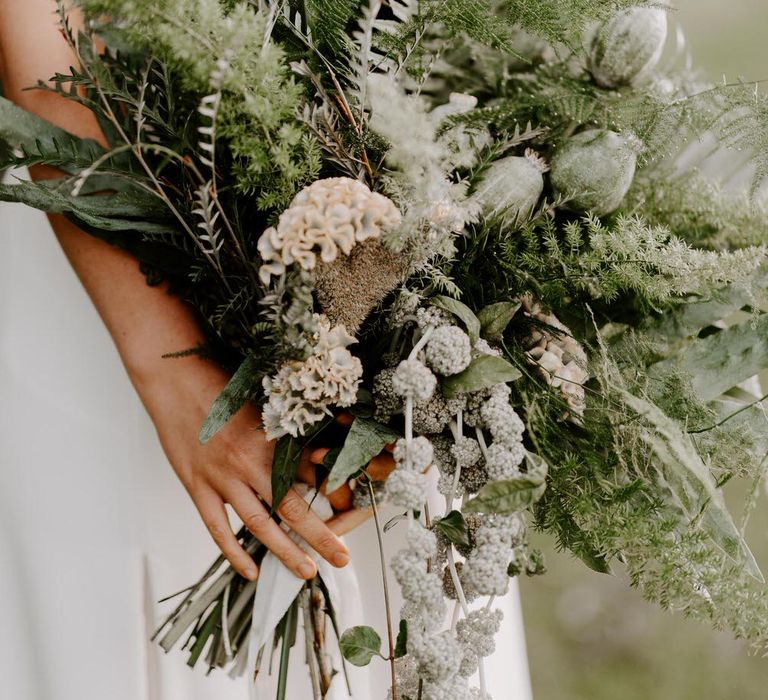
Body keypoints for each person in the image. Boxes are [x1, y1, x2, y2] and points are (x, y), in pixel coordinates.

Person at [0, 2, 533, 698]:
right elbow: (43, 32)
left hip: (404, 140)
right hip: (129, 208)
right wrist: (174, 370)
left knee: (405, 589)